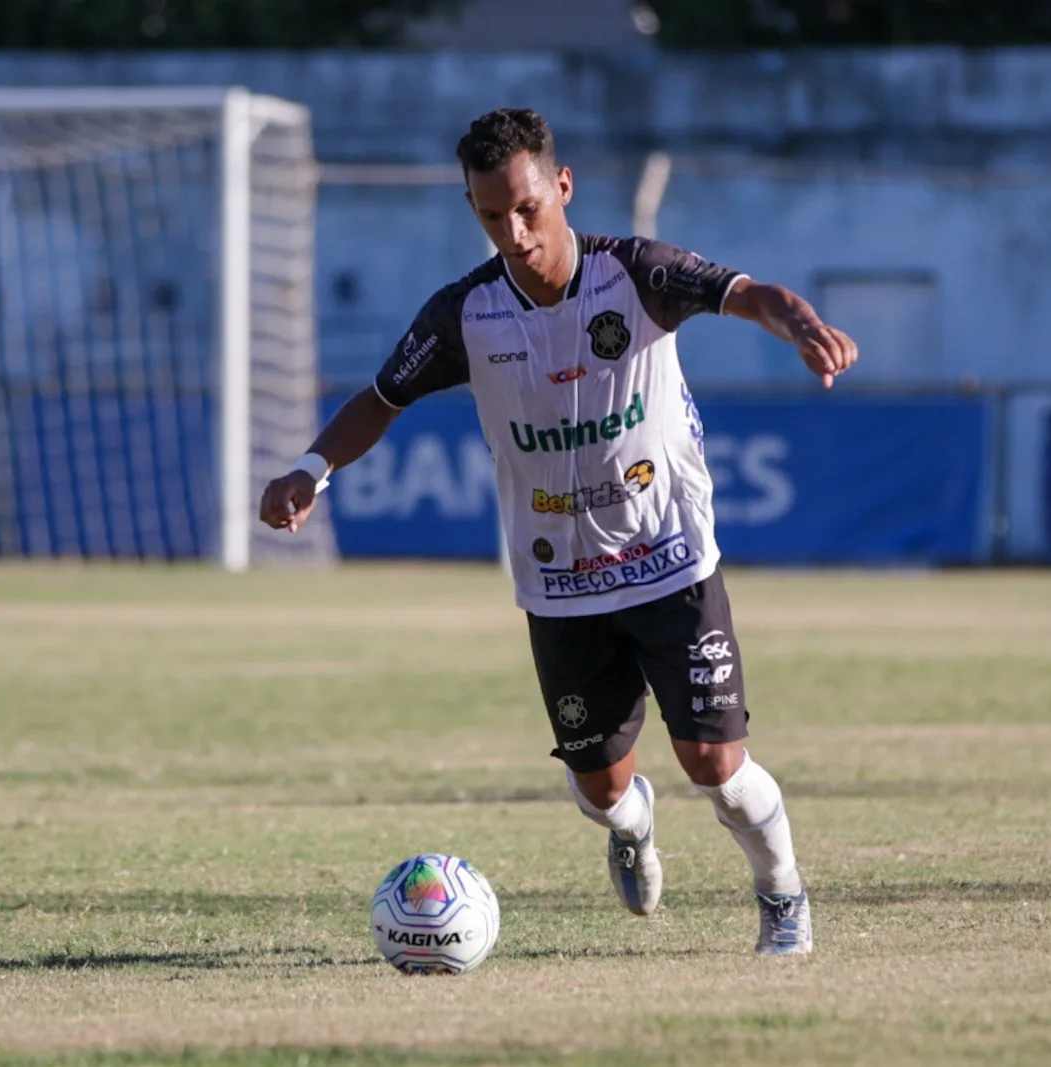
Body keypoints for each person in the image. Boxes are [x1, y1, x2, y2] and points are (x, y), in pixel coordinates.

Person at [260, 108, 857, 955]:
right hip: (561, 583)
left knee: (716, 767)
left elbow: (744, 292)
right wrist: (310, 468)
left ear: (562, 186)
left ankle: (782, 896)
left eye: (528, 207)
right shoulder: (464, 314)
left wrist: (797, 322)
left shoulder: (638, 274)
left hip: (672, 562)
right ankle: (633, 826)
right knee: (601, 789)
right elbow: (380, 399)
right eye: (490, 214)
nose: (513, 230)